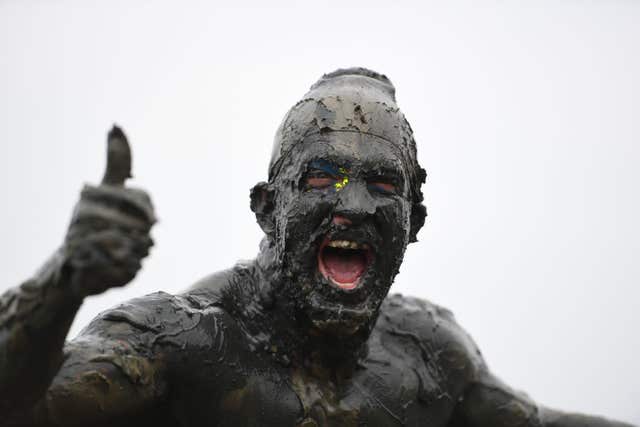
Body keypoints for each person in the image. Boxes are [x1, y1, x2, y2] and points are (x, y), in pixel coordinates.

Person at [0, 68, 633, 427]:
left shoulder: (428, 358)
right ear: (267, 208)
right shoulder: (181, 344)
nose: (353, 205)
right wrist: (62, 283)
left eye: (384, 185)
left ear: (413, 222)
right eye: (321, 178)